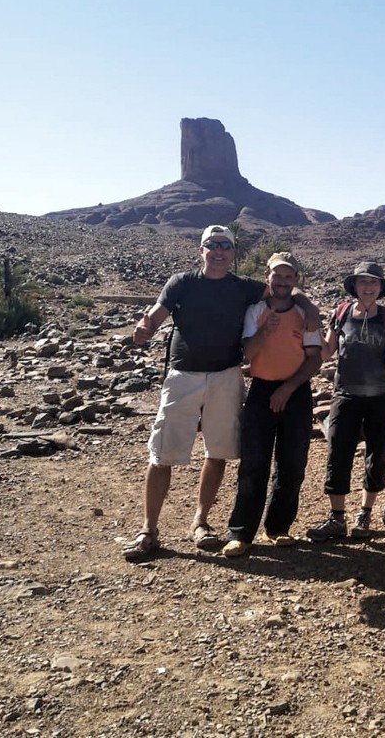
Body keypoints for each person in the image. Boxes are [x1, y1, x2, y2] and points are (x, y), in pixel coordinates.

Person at [122, 225, 319, 561]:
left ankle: (201, 523)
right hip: (183, 374)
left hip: (227, 376)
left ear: (233, 253)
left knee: (217, 451)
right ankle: (148, 529)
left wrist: (308, 305)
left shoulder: (244, 288)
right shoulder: (182, 282)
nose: (218, 252)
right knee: (163, 452)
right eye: (211, 246)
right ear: (201, 250)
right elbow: (155, 314)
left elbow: (284, 290)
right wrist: (145, 328)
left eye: (225, 246)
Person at [221, 252, 323, 557]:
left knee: (292, 463)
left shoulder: (306, 315)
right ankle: (241, 533)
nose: (282, 282)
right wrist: (266, 329)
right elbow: (249, 354)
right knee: (254, 463)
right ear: (268, 276)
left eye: (288, 277)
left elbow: (315, 357)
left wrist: (289, 388)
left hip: (297, 391)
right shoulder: (255, 310)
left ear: (296, 280)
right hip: (261, 390)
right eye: (277, 276)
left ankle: (278, 528)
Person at [308, 262, 385, 542]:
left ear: (380, 288)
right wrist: (315, 330)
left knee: (376, 455)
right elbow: (328, 353)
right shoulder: (341, 313)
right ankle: (337, 517)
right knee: (338, 452)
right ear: (354, 286)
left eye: (373, 283)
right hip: (346, 394)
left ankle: (364, 514)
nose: (368, 287)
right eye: (363, 282)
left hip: (381, 397)